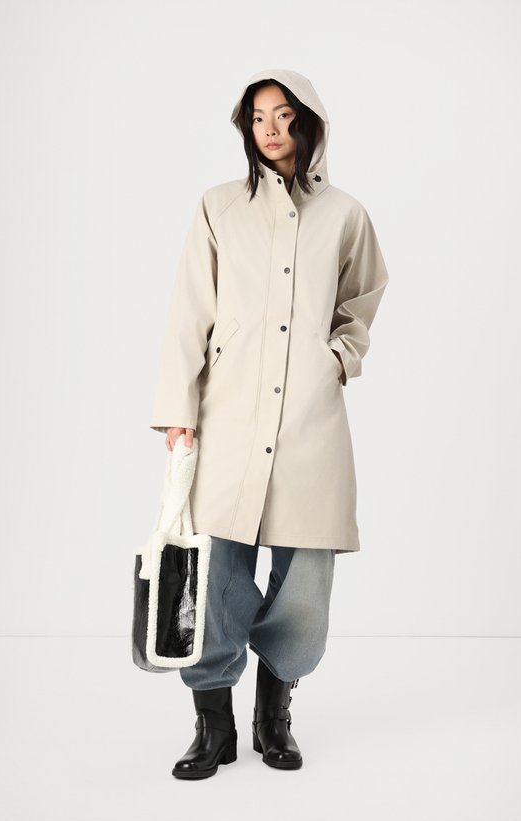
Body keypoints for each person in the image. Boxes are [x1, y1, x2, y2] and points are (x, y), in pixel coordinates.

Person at [149, 68, 389, 780]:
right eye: (258, 118)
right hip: (226, 418)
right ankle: (214, 727)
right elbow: (190, 311)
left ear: (309, 122)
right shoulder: (218, 207)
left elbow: (362, 300)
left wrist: (336, 358)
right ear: (245, 128)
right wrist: (177, 411)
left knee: (305, 585)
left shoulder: (345, 214)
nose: (271, 129)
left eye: (284, 115)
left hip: (311, 425)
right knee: (216, 577)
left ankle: (273, 716)